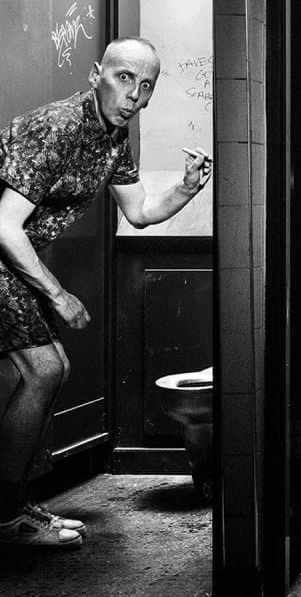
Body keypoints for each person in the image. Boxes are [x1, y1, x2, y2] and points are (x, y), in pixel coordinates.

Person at [0, 37, 213, 548]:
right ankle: (5, 517)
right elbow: (5, 226)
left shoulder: (113, 136)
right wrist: (58, 295)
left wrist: (186, 187)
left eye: (146, 86)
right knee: (43, 369)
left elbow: (138, 212)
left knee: (49, 370)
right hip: (5, 251)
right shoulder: (58, 126)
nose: (133, 95)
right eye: (123, 78)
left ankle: (10, 507)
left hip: (12, 260)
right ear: (97, 73)